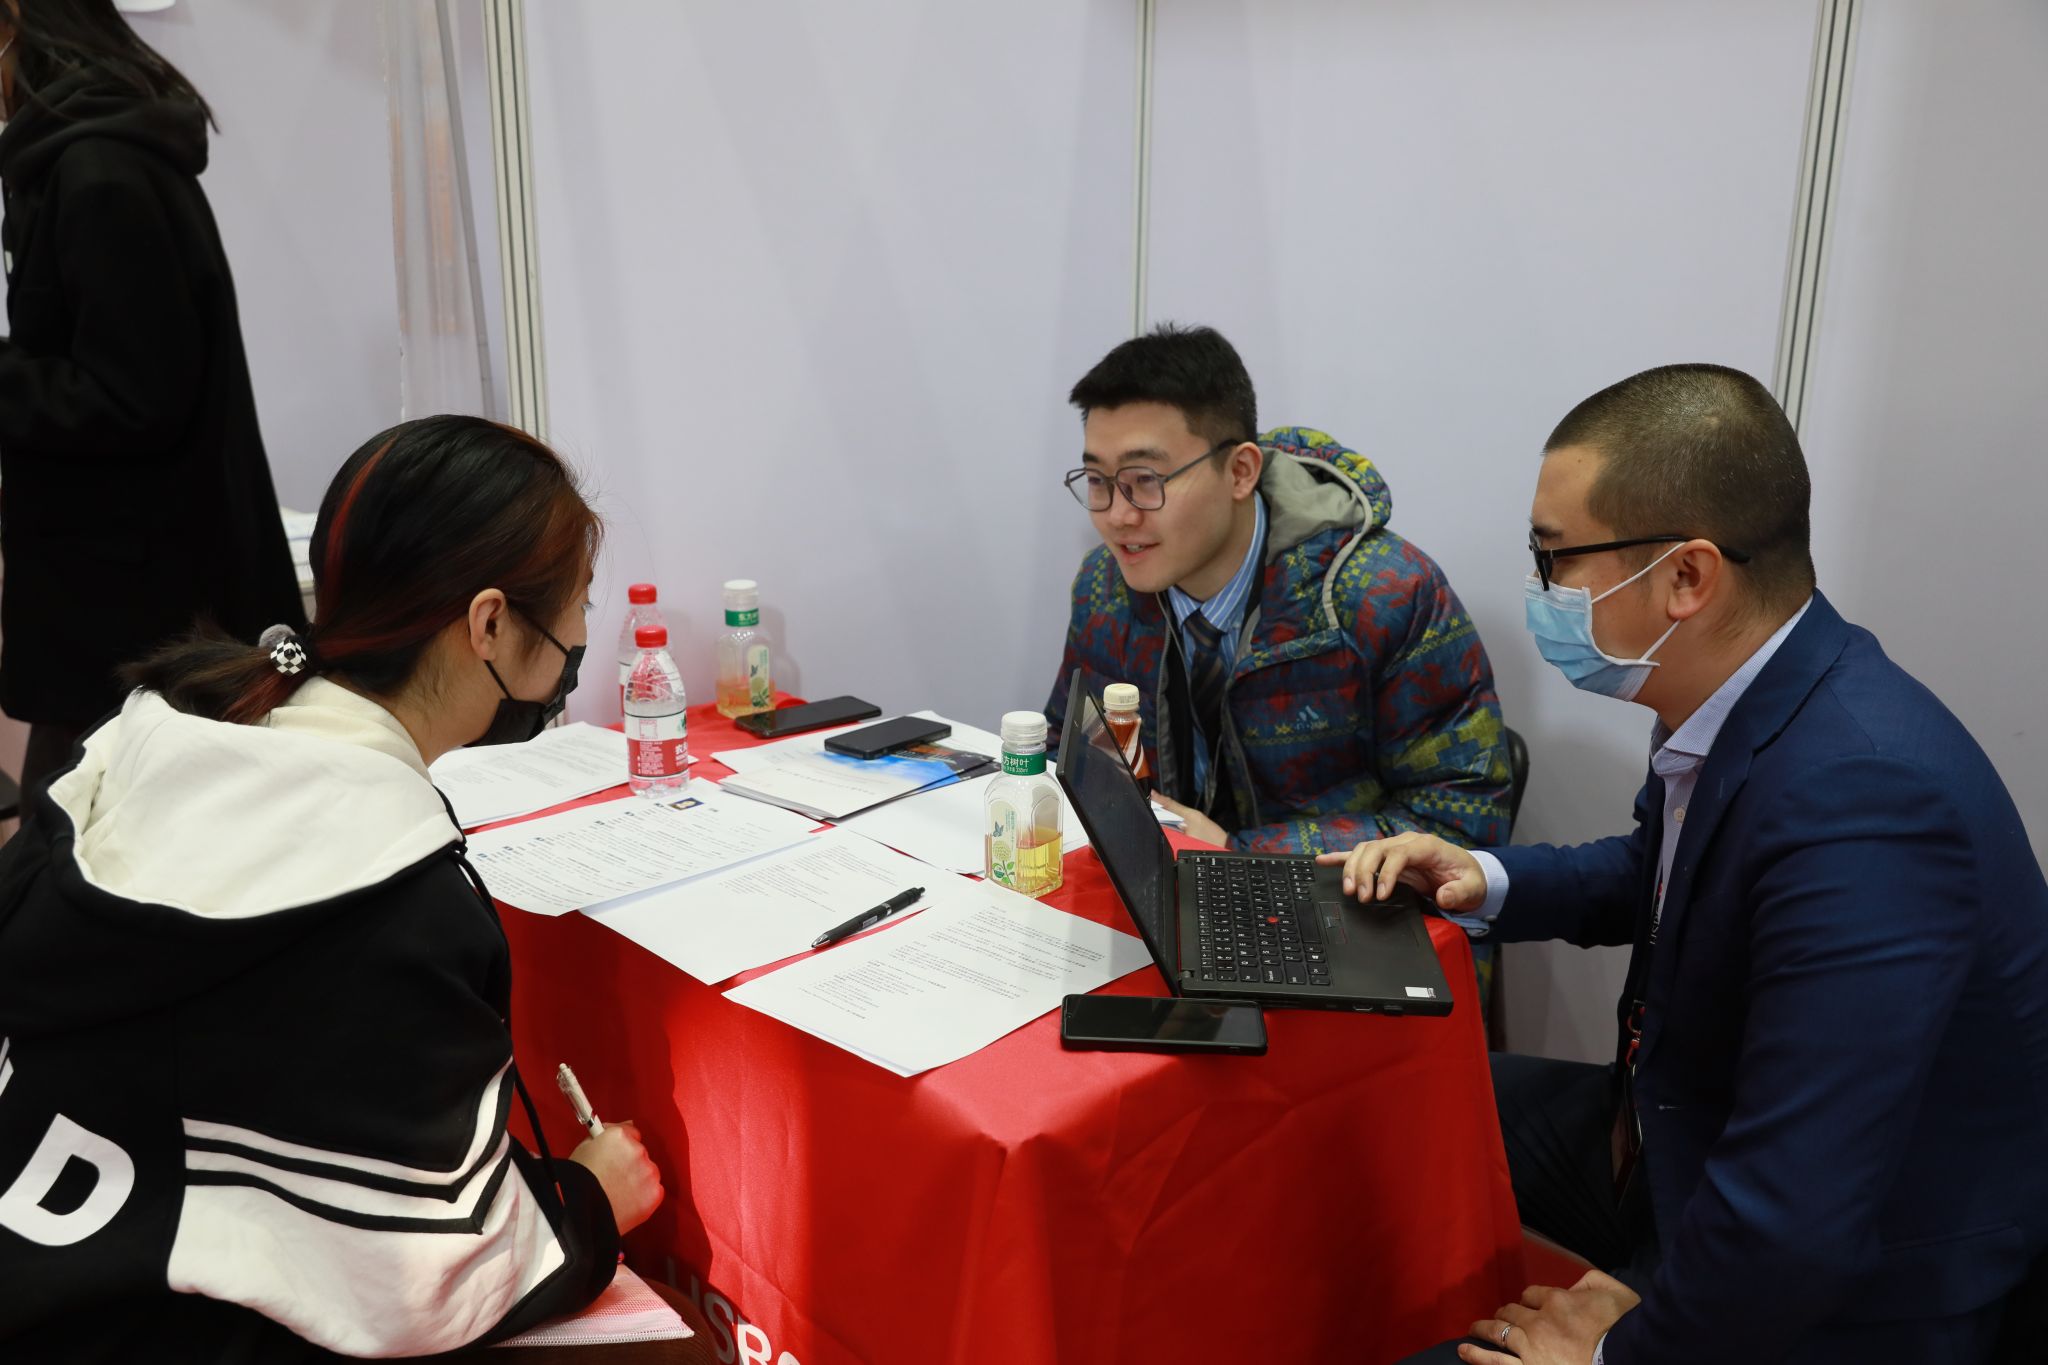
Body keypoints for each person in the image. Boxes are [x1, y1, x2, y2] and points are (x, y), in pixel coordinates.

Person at [1334, 365, 2048, 1364]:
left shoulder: (1864, 802)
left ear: (1686, 577)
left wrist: (1606, 1355)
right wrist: (1483, 879)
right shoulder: (1741, 697)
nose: (1542, 590)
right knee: (1383, 1094)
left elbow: (1794, 1215)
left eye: (1554, 557)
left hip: (1854, 1290)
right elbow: (1664, 875)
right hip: (1680, 1129)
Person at [0, 417, 678, 1362]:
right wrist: (589, 1199)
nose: (578, 641)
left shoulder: (161, 738)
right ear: (488, 623)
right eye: (577, 608)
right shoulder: (396, 900)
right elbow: (429, 1273)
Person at [1044, 323, 1510, 856]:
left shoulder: (1387, 596)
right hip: (1161, 885)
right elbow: (1070, 750)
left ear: (1240, 472)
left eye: (1146, 480)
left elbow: (1461, 824)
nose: (1117, 517)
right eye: (1098, 482)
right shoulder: (1104, 585)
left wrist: (1239, 851)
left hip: (1332, 899)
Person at [0, 0, 303, 795]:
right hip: (123, 618)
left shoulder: (101, 173)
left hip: (135, 634)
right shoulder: (79, 161)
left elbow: (132, 396)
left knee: (74, 846)